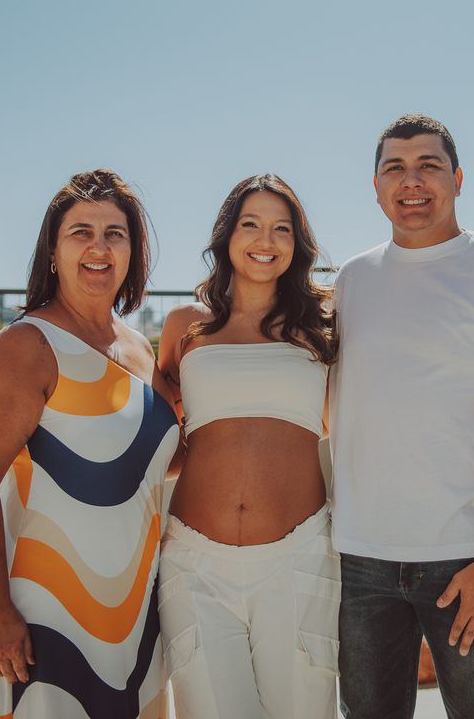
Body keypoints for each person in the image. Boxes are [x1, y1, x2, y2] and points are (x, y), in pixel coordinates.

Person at [329, 115, 474, 718]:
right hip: (361, 562)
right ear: (375, 186)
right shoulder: (351, 281)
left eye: (428, 166)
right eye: (394, 168)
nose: (411, 181)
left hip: (470, 558)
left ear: (457, 179)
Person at [0, 169, 178, 719]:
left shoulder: (139, 348)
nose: (99, 248)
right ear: (53, 252)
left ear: (132, 253)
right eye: (81, 233)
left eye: (115, 234)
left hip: (132, 613)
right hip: (41, 618)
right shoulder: (27, 345)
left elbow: (145, 466)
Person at [155, 174, 339, 719]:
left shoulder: (324, 325)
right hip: (194, 563)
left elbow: (347, 423)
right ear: (226, 236)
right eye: (251, 224)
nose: (266, 240)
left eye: (282, 228)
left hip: (299, 555)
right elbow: (162, 438)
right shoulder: (185, 326)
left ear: (297, 243)